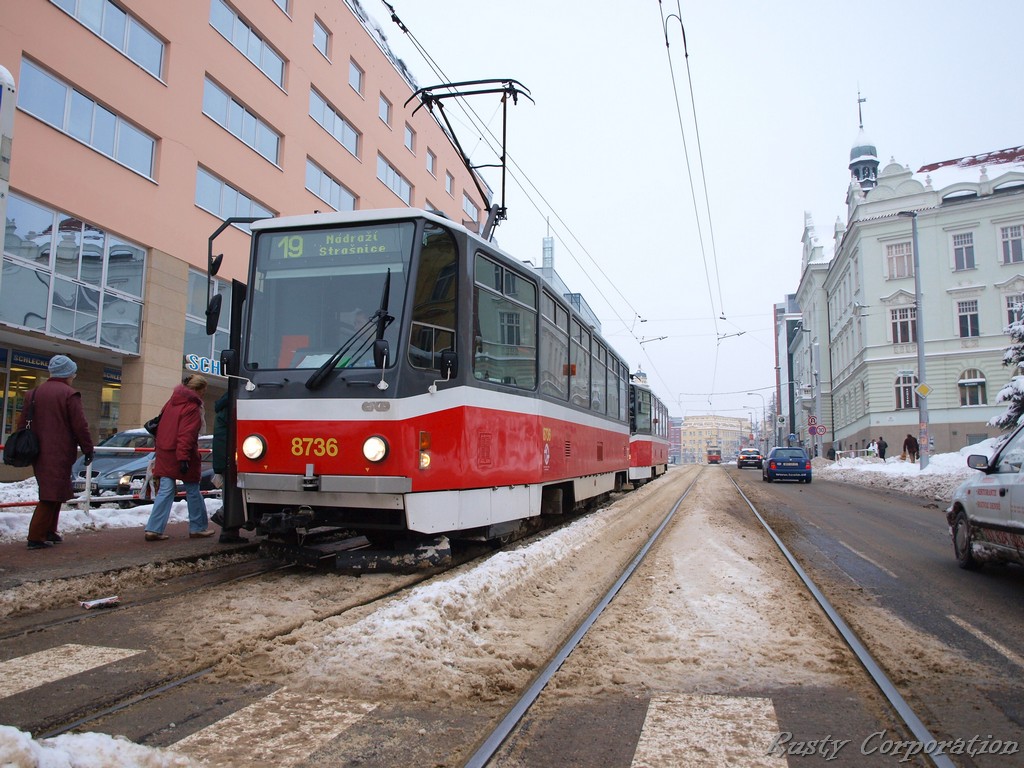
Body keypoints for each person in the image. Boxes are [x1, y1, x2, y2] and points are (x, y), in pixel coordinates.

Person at [20, 355, 94, 550]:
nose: (73, 377)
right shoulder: (69, 394)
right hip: (59, 450)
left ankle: (49, 530)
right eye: (73, 374)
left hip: (37, 450)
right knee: (50, 494)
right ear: (68, 374)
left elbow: (22, 422)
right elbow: (80, 425)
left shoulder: (34, 393)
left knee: (55, 490)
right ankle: (36, 536)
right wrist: (88, 448)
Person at [144, 374, 215, 541]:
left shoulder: (171, 402)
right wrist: (184, 458)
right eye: (203, 391)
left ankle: (153, 529)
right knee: (193, 490)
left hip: (164, 451)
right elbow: (187, 434)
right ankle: (198, 527)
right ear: (197, 389)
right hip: (182, 454)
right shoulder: (192, 407)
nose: (203, 394)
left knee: (165, 490)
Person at [211, 391, 247, 544]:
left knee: (230, 490)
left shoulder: (223, 409)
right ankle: (225, 519)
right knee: (232, 492)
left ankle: (228, 528)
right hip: (230, 457)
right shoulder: (231, 409)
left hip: (224, 457)